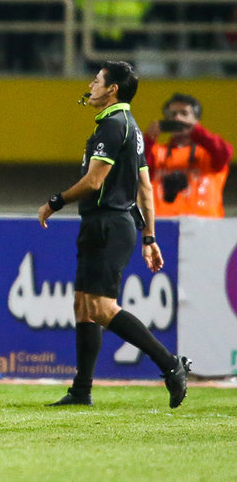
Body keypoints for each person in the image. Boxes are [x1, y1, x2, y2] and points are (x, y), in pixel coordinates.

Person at [39, 61, 191, 408]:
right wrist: (149, 237)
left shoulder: (113, 125)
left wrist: (55, 201)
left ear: (113, 90)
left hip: (108, 223)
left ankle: (171, 366)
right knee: (83, 305)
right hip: (108, 223)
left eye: (96, 81)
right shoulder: (132, 128)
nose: (90, 86)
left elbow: (94, 181)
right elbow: (145, 188)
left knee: (102, 308)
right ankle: (81, 390)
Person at [144, 93, 232, 218]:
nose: (178, 118)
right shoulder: (156, 151)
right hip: (162, 226)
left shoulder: (207, 153)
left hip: (206, 227)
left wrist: (198, 132)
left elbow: (225, 153)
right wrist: (148, 140)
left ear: (196, 120)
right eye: (172, 115)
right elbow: (136, 171)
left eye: (184, 114)